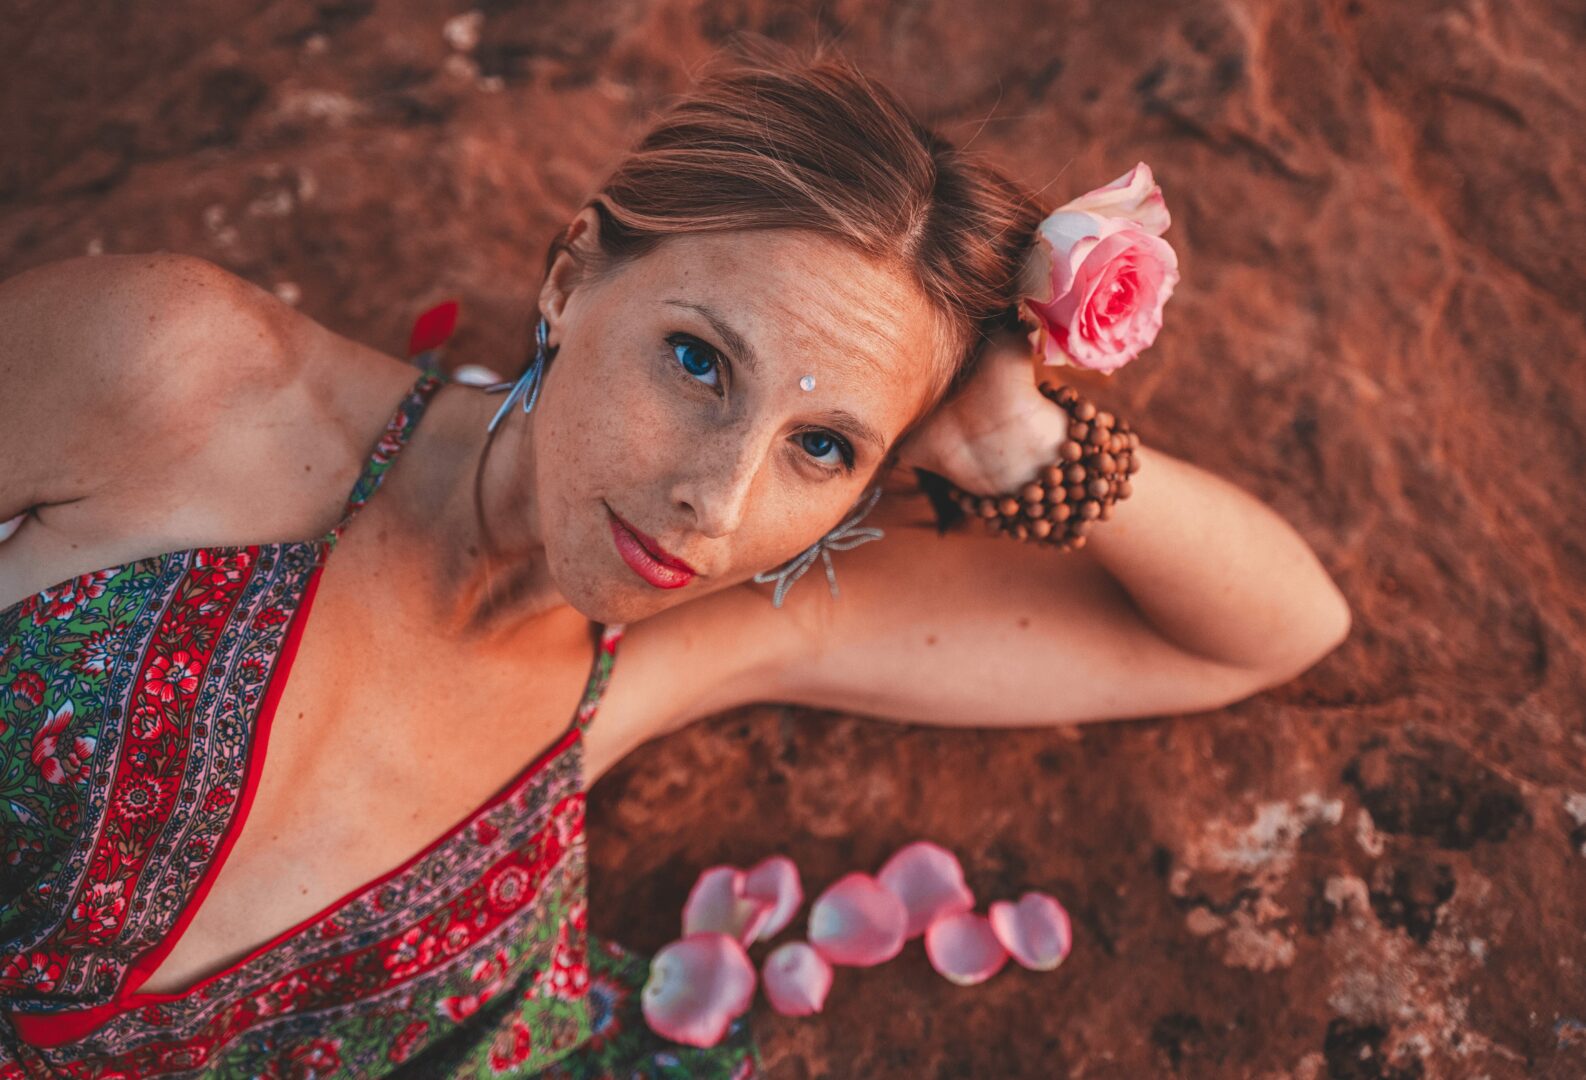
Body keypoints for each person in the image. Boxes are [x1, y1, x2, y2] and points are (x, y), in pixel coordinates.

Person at [0, 40, 1350, 1079]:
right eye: (698, 361)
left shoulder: (688, 643)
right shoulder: (175, 381)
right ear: (573, 275)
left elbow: (1269, 632)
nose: (714, 500)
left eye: (822, 447)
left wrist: (1019, 443)